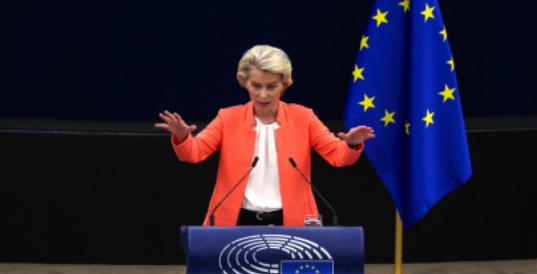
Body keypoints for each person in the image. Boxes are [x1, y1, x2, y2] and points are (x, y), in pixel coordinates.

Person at [155, 45, 374, 226]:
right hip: (237, 220)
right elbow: (193, 154)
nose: (263, 94)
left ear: (285, 85)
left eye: (271, 86)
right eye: (256, 85)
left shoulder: (303, 117)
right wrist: (183, 137)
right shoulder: (227, 118)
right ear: (244, 82)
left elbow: (337, 156)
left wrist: (352, 145)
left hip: (294, 220)